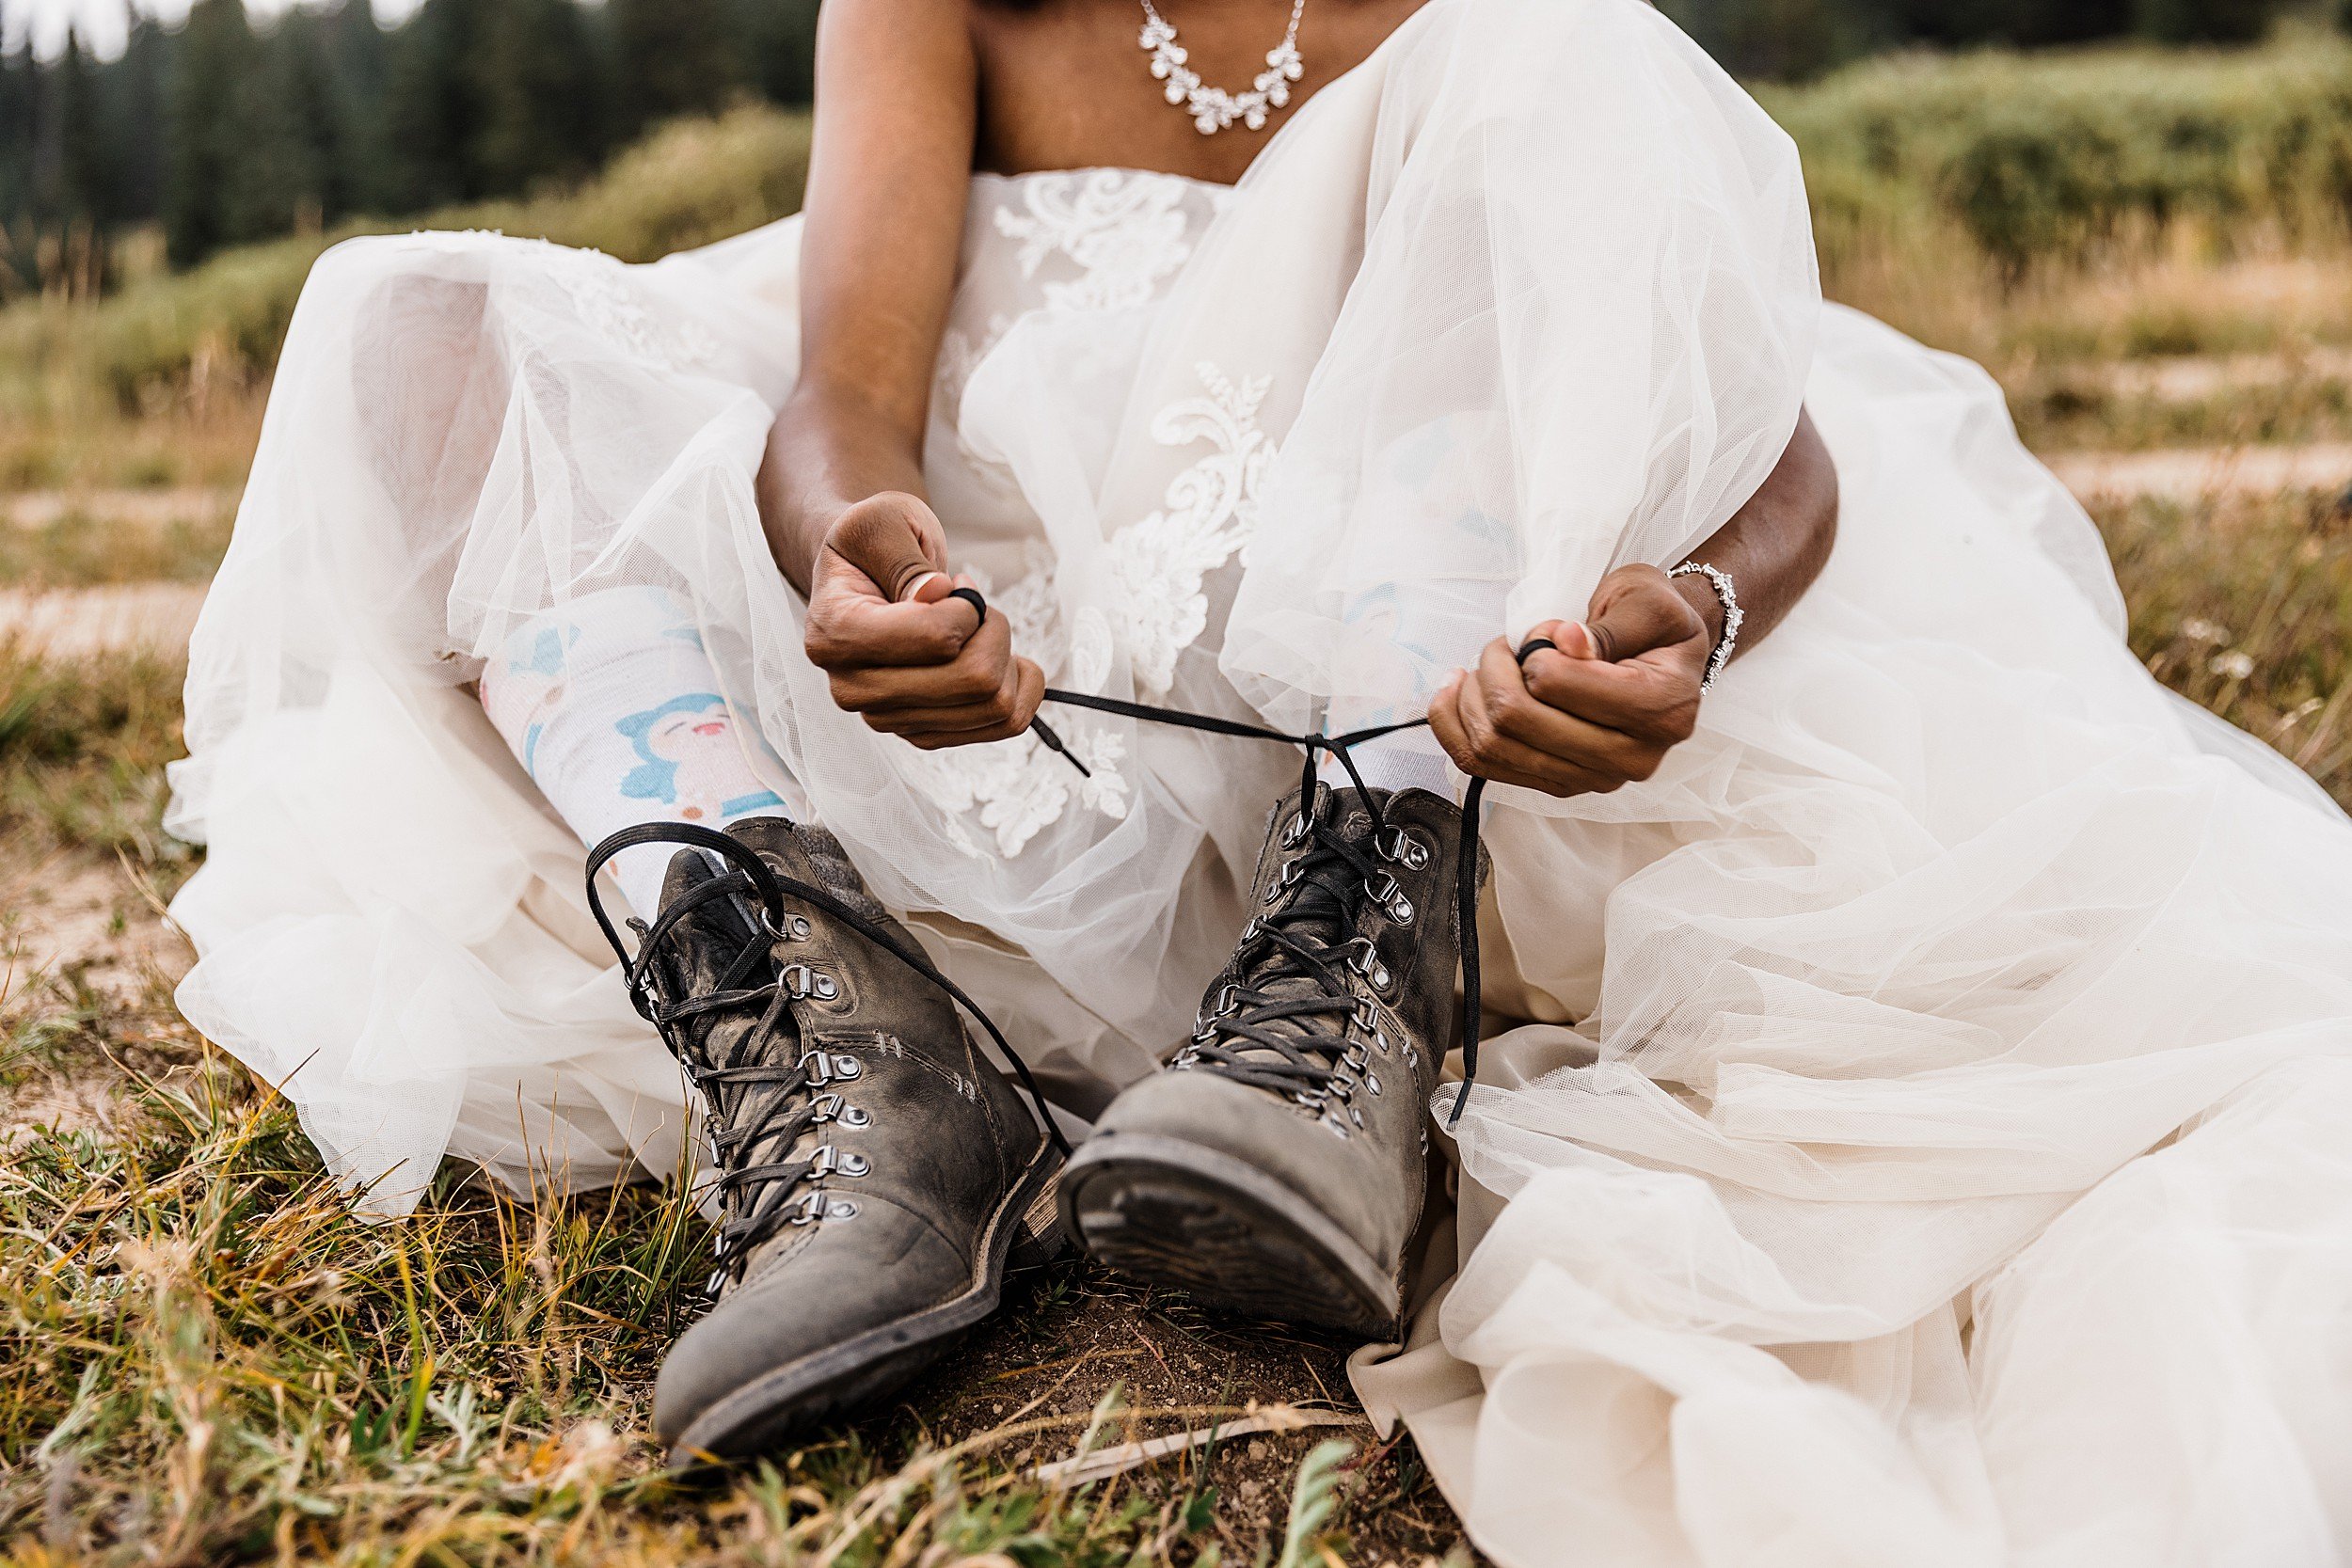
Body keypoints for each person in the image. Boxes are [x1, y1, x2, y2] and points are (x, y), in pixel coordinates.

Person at [167, 0, 2352, 1560]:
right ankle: (846, 1032)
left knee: (1550, 47)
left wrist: (1679, 602)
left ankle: (1353, 981)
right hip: (1035, 679)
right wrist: (861, 550)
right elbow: (840, 395)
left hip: (1440, 711)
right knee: (412, 329)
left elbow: (1759, 437)